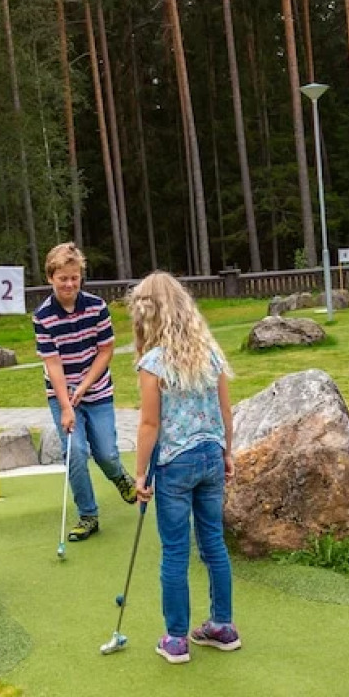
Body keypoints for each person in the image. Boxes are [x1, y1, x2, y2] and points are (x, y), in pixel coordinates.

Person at [128, 272, 240, 665]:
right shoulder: (210, 353)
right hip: (211, 455)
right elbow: (225, 410)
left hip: (175, 463)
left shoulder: (154, 363)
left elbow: (149, 424)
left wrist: (140, 474)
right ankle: (222, 626)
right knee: (213, 542)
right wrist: (227, 452)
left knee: (175, 551)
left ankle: (176, 638)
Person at [34, 242, 136, 542]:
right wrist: (66, 405)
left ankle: (118, 476)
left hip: (98, 389)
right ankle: (88, 515)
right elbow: (52, 364)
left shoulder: (96, 307)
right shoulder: (42, 316)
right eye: (62, 278)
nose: (69, 284)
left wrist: (85, 385)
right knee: (75, 452)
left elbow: (105, 351)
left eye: (74, 277)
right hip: (61, 393)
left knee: (105, 452)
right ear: (51, 278)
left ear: (81, 277)